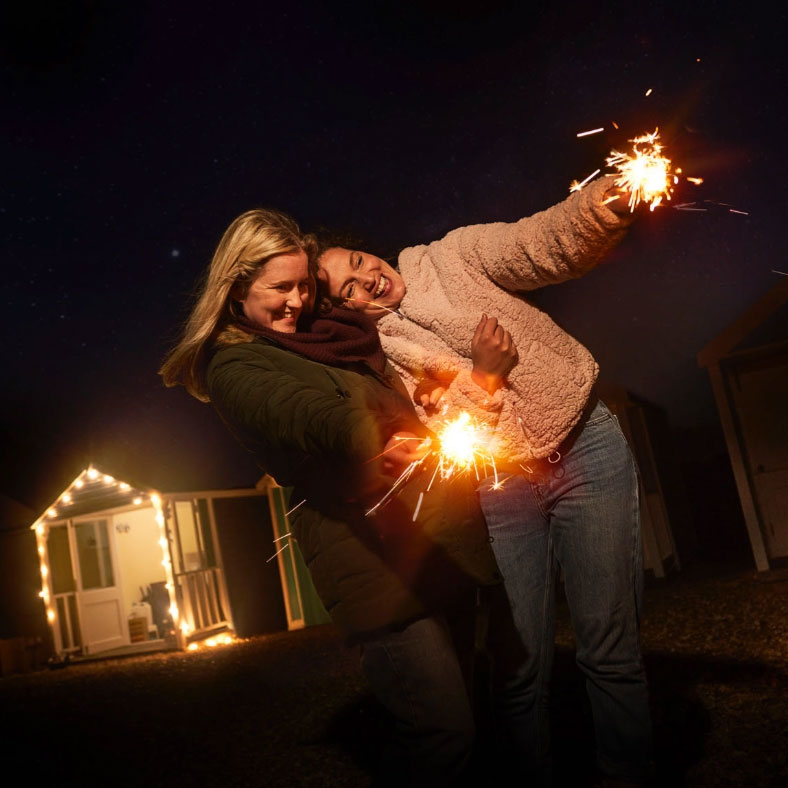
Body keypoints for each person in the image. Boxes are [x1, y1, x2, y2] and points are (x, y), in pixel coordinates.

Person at [315, 175, 655, 787]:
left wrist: (598, 211)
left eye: (359, 262)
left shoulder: (451, 256)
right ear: (342, 310)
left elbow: (538, 244)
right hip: (502, 495)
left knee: (611, 649)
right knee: (518, 667)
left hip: (587, 448)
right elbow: (442, 439)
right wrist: (485, 379)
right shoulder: (379, 364)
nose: (367, 279)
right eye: (348, 289)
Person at [159, 208, 502, 787]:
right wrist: (376, 435)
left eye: (303, 286)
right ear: (237, 286)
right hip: (367, 560)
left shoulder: (330, 336)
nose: (297, 301)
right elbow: (311, 415)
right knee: (443, 732)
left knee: (476, 711)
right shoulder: (234, 364)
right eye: (279, 288)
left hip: (434, 541)